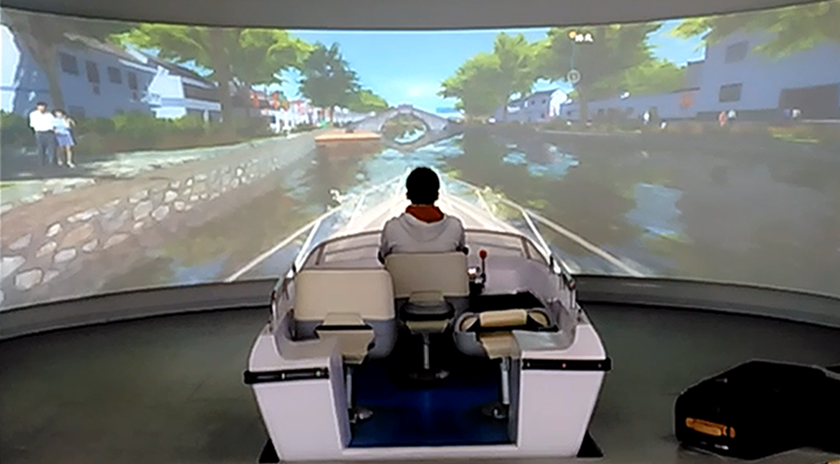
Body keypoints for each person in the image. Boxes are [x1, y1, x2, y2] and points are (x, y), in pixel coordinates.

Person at [378, 167, 466, 262]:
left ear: (407, 195)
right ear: (437, 196)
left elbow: (383, 257)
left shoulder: (392, 228)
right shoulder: (455, 226)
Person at [29, 102, 56, 166]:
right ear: (37, 107)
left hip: (49, 132)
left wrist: (53, 129)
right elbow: (32, 124)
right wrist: (36, 131)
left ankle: (51, 162)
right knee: (40, 147)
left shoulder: (49, 115)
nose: (42, 108)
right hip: (39, 132)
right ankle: (41, 162)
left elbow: (53, 123)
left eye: (43, 106)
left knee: (51, 147)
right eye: (40, 106)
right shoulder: (33, 114)